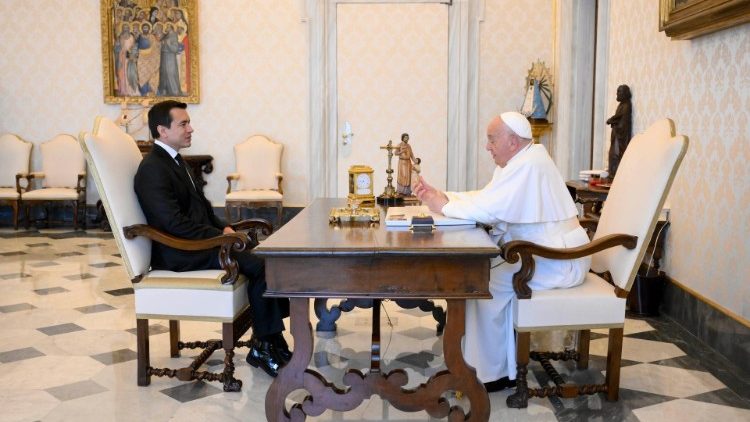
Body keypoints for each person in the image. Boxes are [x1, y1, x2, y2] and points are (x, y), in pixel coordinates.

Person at [414, 112, 591, 392]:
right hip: (542, 253)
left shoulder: (530, 165)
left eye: (492, 139)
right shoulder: (518, 162)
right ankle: (487, 364)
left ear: (512, 141)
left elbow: (490, 210)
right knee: (479, 276)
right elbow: (486, 198)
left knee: (482, 283)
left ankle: (492, 374)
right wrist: (443, 196)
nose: (487, 146)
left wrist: (443, 205)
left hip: (560, 259)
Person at [134, 101, 291, 378]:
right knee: (262, 266)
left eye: (189, 122)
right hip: (179, 251)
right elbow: (173, 224)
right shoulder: (152, 169)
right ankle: (264, 346)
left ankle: (269, 340)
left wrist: (226, 228)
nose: (191, 128)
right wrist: (221, 237)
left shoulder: (176, 160)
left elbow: (203, 210)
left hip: (197, 242)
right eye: (183, 124)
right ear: (162, 130)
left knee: (271, 258)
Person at [606, 84, 632, 178]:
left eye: (619, 92)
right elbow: (618, 117)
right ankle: (612, 173)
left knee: (616, 154)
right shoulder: (621, 104)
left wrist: (611, 120)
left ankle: (615, 174)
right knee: (613, 154)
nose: (617, 94)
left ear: (625, 93)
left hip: (620, 135)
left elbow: (620, 117)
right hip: (617, 133)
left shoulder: (626, 105)